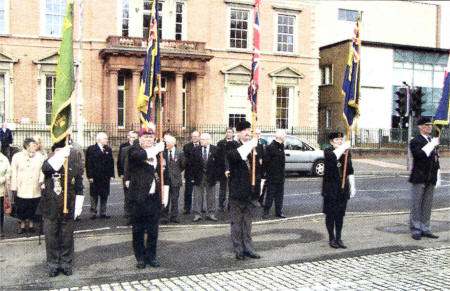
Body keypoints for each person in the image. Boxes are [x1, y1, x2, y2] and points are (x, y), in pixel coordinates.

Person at [38, 139, 84, 277]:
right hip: (50, 207)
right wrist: (58, 155)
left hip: (67, 206)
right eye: (58, 150)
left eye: (64, 150)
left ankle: (66, 263)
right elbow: (46, 169)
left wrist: (78, 205)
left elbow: (79, 185)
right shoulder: (49, 162)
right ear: (54, 151)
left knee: (67, 237)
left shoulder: (73, 163)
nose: (62, 153)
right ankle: (53, 264)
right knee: (51, 237)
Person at [127, 128, 164, 269]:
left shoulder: (158, 154)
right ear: (140, 139)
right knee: (138, 230)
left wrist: (163, 196)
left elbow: (161, 175)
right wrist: (156, 148)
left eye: (151, 137)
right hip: (138, 198)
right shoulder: (133, 151)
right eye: (146, 137)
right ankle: (140, 257)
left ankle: (151, 256)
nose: (148, 140)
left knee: (153, 230)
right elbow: (140, 156)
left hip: (153, 198)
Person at [226, 120, 260, 260]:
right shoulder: (231, 145)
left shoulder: (252, 147)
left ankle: (248, 248)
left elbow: (257, 166)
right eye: (245, 130)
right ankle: (238, 249)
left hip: (249, 191)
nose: (247, 133)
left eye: (249, 130)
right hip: (237, 191)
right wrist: (252, 142)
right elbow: (235, 156)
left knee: (247, 222)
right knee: (237, 222)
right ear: (238, 133)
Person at [408, 117, 440, 240]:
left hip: (431, 176)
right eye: (426, 125)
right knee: (416, 204)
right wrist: (431, 145)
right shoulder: (415, 140)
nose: (429, 127)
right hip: (419, 176)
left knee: (427, 204)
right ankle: (416, 228)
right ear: (420, 126)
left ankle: (425, 228)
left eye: (430, 125)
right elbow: (418, 155)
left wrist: (438, 173)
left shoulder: (432, 140)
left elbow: (435, 158)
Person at [321, 132, 355, 249]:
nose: (340, 142)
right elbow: (333, 157)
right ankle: (331, 238)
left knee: (340, 214)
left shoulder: (346, 153)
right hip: (331, 189)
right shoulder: (328, 152)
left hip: (342, 188)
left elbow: (350, 170)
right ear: (331, 142)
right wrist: (343, 147)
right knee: (330, 214)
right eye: (337, 140)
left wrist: (352, 186)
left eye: (341, 140)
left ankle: (339, 238)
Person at [10, 138, 45, 234]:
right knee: (22, 207)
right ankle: (21, 226)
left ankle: (31, 225)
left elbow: (43, 171)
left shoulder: (40, 157)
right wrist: (14, 187)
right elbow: (13, 172)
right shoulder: (17, 156)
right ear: (27, 146)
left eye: (35, 145)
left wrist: (41, 182)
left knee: (33, 206)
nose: (35, 147)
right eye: (33, 145)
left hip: (35, 187)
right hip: (22, 187)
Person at [85, 132, 114, 219]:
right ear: (99, 139)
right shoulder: (91, 149)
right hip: (95, 176)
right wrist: (89, 176)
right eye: (105, 138)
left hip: (105, 176)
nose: (107, 140)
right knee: (94, 195)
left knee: (104, 194)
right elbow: (88, 163)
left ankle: (103, 212)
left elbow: (111, 163)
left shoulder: (108, 149)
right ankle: (93, 212)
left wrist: (111, 175)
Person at [191, 133, 219, 222]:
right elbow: (191, 164)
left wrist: (217, 177)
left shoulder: (215, 150)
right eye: (200, 139)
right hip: (198, 176)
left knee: (211, 196)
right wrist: (192, 177)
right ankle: (197, 214)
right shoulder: (195, 150)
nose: (200, 141)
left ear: (208, 140)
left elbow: (219, 164)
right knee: (197, 196)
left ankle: (211, 213)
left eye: (202, 139)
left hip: (211, 176)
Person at [262, 129, 287, 219]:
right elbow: (266, 161)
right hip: (272, 175)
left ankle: (278, 211)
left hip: (280, 175)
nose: (285, 136)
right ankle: (266, 211)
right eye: (284, 135)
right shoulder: (271, 147)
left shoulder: (281, 146)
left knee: (279, 195)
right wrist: (266, 174)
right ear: (280, 136)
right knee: (270, 194)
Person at [161, 135, 184, 223]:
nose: (165, 143)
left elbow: (182, 165)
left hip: (175, 180)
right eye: (165, 142)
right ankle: (164, 216)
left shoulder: (180, 153)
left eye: (167, 142)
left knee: (175, 199)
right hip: (165, 180)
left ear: (173, 143)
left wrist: (175, 173)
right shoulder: (162, 152)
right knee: (165, 199)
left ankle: (174, 216)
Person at [117, 131, 138, 219]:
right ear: (128, 137)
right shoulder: (124, 148)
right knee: (127, 195)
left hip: (137, 175)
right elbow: (120, 161)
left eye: (135, 137)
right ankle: (128, 213)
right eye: (132, 137)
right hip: (127, 174)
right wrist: (121, 173)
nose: (133, 139)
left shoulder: (139, 148)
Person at [182, 130, 200, 214]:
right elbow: (186, 160)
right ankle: (187, 208)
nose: (195, 138)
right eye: (193, 136)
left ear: (199, 137)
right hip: (189, 172)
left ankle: (200, 208)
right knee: (188, 192)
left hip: (199, 173)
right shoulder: (187, 146)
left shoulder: (202, 146)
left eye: (196, 136)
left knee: (200, 192)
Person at [216, 128, 234, 212]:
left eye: (230, 132)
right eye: (227, 132)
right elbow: (218, 156)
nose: (228, 134)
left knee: (232, 188)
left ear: (233, 134)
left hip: (232, 168)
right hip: (222, 169)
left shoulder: (235, 143)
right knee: (222, 188)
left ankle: (230, 205)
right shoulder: (220, 143)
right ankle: (221, 205)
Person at [0, 151, 10, 237]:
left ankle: (0, 229)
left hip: (1, 190)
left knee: (0, 211)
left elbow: (8, 173)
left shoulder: (4, 159)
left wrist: (2, 179)